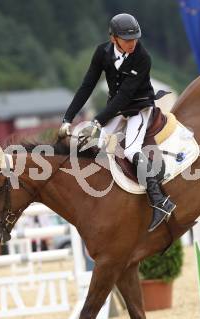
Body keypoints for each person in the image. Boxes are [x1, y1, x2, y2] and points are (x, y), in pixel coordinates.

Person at [58, 13, 176, 232]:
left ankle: (160, 201)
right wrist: (68, 118)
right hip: (117, 109)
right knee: (97, 148)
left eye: (135, 39)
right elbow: (87, 85)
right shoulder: (102, 53)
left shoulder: (142, 57)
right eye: (127, 40)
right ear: (114, 38)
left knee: (131, 150)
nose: (133, 43)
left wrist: (96, 121)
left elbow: (125, 95)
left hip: (139, 108)